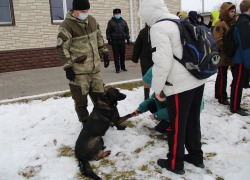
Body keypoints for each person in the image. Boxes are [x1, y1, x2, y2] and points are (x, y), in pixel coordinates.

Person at [138, 0, 207, 175]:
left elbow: (161, 63)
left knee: (177, 125)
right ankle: (196, 156)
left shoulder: (159, 28)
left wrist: (158, 88)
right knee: (192, 120)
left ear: (148, 13)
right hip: (196, 79)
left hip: (179, 85)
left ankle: (175, 163)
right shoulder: (179, 21)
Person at [56, 0, 126, 130]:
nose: (85, 13)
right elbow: (62, 48)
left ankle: (110, 119)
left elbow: (99, 37)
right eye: (83, 11)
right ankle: (85, 122)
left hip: (94, 70)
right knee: (81, 100)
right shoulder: (67, 26)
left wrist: (104, 52)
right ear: (75, 11)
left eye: (87, 11)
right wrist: (68, 67)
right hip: (79, 71)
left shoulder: (92, 21)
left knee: (102, 97)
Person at [134, 67, 171, 133]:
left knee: (161, 129)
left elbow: (174, 109)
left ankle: (173, 126)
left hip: (178, 114)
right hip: (167, 110)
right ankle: (164, 119)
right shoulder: (161, 89)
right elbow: (152, 99)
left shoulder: (172, 91)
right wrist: (139, 109)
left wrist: (156, 115)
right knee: (151, 104)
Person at [230, 0, 250, 116]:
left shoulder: (241, 20)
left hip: (240, 57)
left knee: (238, 81)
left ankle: (236, 104)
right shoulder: (243, 22)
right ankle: (235, 107)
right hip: (241, 58)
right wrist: (248, 62)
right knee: (238, 82)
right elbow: (245, 44)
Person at [214, 2, 236, 106]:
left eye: (234, 11)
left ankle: (219, 94)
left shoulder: (231, 22)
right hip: (223, 54)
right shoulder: (220, 23)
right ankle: (222, 97)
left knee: (221, 76)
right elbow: (217, 40)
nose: (233, 13)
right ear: (225, 12)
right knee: (223, 77)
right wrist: (227, 49)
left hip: (229, 54)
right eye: (231, 11)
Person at [132, 23, 153, 100]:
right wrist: (135, 59)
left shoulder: (158, 31)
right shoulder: (143, 32)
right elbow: (137, 46)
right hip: (145, 58)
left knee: (158, 77)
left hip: (156, 58)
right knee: (146, 77)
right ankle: (146, 96)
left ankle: (159, 96)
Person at [106, 8, 130, 73]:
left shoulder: (124, 22)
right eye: (116, 14)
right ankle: (117, 68)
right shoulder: (111, 22)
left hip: (122, 41)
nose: (117, 14)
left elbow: (126, 30)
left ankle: (123, 67)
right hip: (115, 41)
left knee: (122, 54)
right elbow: (108, 31)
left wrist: (128, 38)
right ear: (114, 14)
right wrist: (109, 39)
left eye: (118, 13)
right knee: (116, 55)